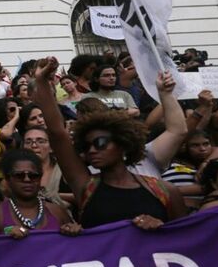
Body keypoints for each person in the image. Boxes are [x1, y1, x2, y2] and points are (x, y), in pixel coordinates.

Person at [33, 57, 186, 229]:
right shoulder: (85, 187)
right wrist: (42, 81)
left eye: (100, 143)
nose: (91, 150)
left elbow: (183, 235)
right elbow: (57, 133)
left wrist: (161, 228)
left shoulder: (164, 191)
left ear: (122, 143)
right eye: (86, 146)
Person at [0, 150, 79, 240]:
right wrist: (5, 237)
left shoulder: (57, 211)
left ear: (40, 178)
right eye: (19, 175)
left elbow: (75, 249)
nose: (27, 179)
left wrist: (76, 232)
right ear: (8, 179)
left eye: (33, 176)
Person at [23, 126, 70, 210]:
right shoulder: (16, 174)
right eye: (28, 142)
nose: (34, 145)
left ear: (51, 147)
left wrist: (55, 196)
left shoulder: (66, 171)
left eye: (40, 141)